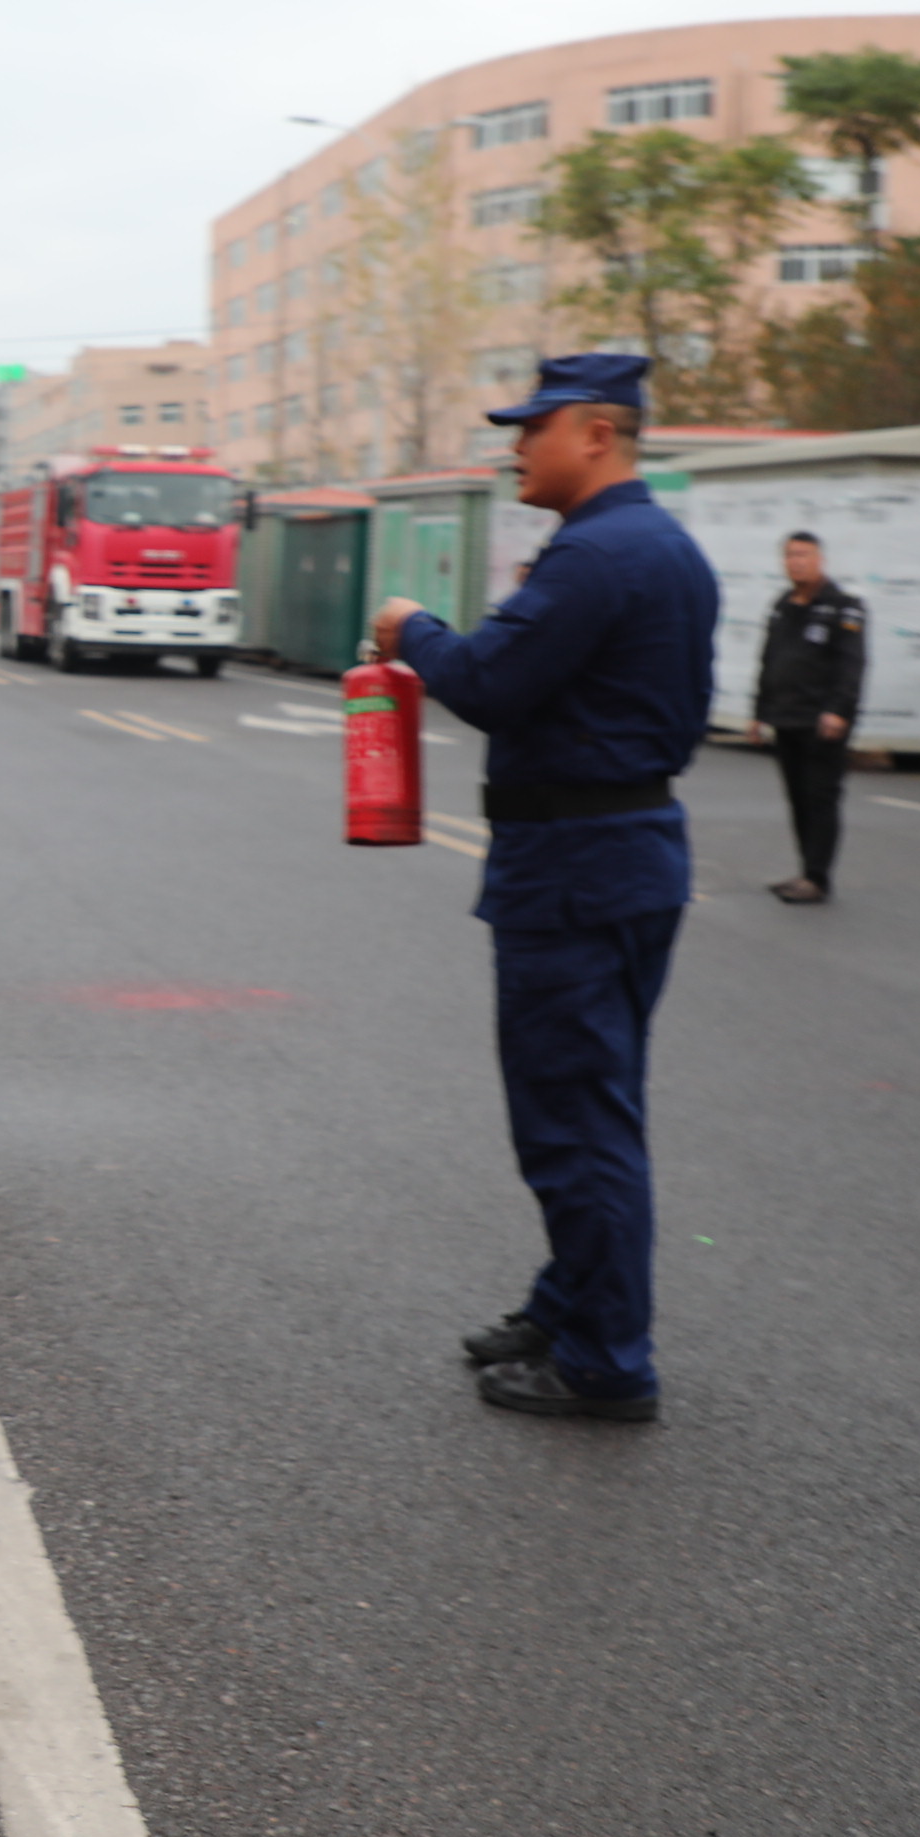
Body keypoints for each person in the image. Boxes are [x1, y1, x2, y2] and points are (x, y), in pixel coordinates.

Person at [369, 354, 715, 1425]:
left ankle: (607, 1358)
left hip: (578, 869)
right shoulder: (661, 548)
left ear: (597, 433)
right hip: (624, 853)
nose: (515, 445)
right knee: (592, 1100)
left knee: (574, 1118)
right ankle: (572, 1303)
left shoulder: (600, 554)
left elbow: (487, 678)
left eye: (533, 427)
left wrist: (409, 629)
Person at [747, 531, 867, 906]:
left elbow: (852, 665)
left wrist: (838, 710)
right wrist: (759, 713)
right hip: (786, 719)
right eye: (790, 555)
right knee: (798, 799)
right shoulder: (783, 605)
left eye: (804, 554)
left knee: (820, 799)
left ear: (820, 560)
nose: (796, 561)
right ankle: (805, 871)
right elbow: (769, 662)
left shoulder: (843, 606)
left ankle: (818, 878)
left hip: (821, 724)